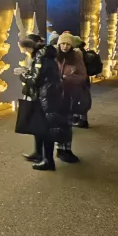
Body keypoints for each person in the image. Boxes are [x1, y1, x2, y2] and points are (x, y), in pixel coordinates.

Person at [16, 36, 69, 171]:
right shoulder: (45, 55)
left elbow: (35, 80)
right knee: (40, 127)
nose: (24, 51)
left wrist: (22, 75)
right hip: (48, 95)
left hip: (46, 97)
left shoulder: (40, 57)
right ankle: (40, 154)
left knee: (46, 129)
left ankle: (48, 161)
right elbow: (41, 75)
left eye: (24, 49)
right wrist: (28, 71)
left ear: (28, 47)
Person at [56, 34, 86, 159]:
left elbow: (83, 76)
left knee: (67, 123)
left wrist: (68, 78)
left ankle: (66, 149)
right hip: (55, 95)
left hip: (69, 95)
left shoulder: (76, 57)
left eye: (68, 44)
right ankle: (59, 149)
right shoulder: (53, 57)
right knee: (57, 123)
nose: (65, 46)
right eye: (62, 43)